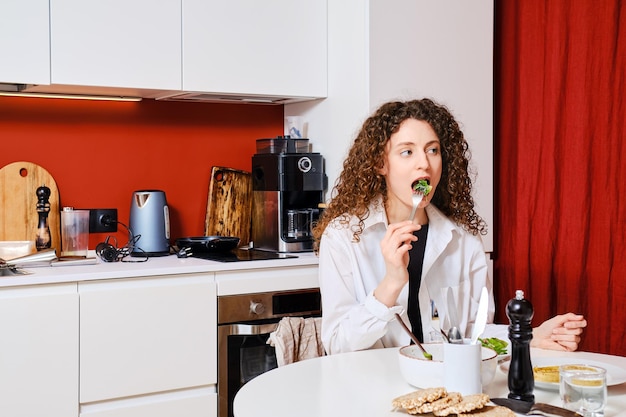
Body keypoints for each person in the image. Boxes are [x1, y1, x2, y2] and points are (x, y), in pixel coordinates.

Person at [312, 98, 586, 355]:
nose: (424, 163)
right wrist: (391, 284)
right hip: (370, 394)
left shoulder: (464, 241)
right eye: (407, 152)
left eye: (432, 150)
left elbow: (473, 336)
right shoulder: (343, 236)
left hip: (444, 389)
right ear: (380, 164)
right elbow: (337, 344)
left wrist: (528, 335)